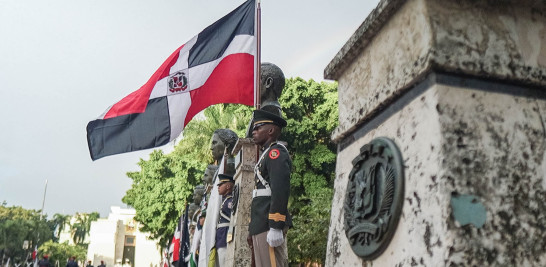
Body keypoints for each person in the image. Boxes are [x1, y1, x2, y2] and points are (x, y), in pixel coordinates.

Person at [249, 109, 292, 267]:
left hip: (269, 221)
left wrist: (276, 224)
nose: (254, 131)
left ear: (271, 130)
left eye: (258, 127)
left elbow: (280, 189)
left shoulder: (276, 153)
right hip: (261, 221)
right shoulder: (266, 154)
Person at [215, 174, 234, 267]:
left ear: (228, 186)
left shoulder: (229, 201)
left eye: (220, 185)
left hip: (225, 237)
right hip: (221, 238)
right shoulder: (225, 200)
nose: (218, 187)